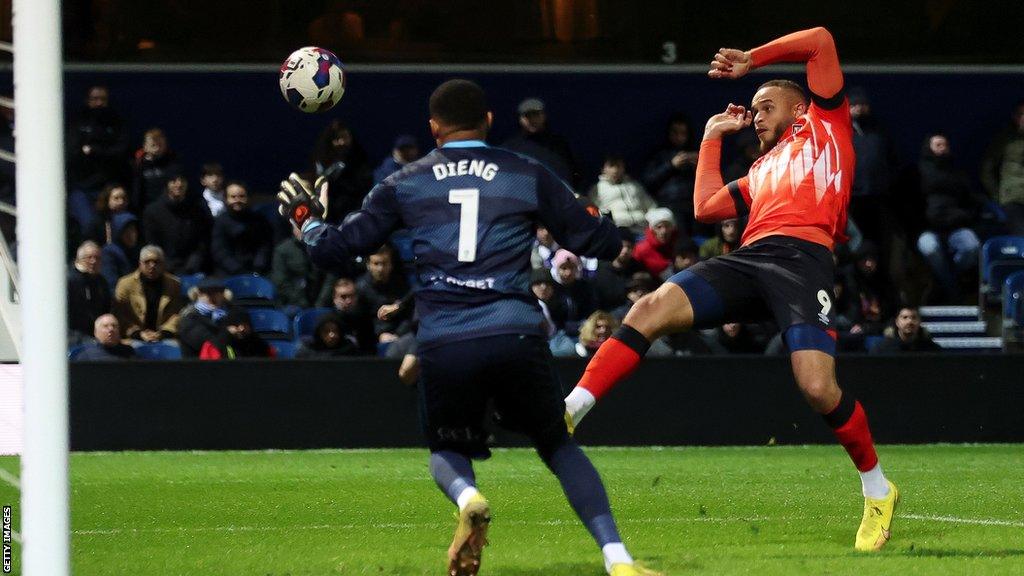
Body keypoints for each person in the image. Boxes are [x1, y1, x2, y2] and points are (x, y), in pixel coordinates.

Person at [276, 79, 658, 576]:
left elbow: (334, 250)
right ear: (490, 121)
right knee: (557, 443)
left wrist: (307, 220)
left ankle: (468, 495)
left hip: (445, 338)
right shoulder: (525, 172)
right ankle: (618, 559)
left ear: (433, 128)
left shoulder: (404, 181)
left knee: (447, 448)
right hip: (515, 331)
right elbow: (600, 242)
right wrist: (600, 220)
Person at [562, 27, 898, 552]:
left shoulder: (827, 126)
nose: (756, 116)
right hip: (749, 258)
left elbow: (822, 41)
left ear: (801, 107)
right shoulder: (761, 169)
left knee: (816, 388)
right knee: (650, 306)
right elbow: (705, 207)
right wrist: (711, 136)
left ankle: (877, 489)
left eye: (766, 106)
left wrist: (752, 61)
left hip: (801, 262)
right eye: (755, 109)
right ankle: (572, 407)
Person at [915, 133, 983, 303]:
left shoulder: (958, 173)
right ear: (928, 147)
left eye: (945, 145)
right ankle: (954, 292)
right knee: (930, 248)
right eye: (938, 145)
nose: (942, 148)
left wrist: (965, 216)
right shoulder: (917, 173)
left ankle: (944, 283)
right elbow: (910, 204)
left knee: (972, 247)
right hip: (928, 228)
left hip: (956, 227)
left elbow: (971, 200)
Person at [66, 86, 129, 233]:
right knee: (88, 225)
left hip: (107, 187)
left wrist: (94, 151)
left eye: (103, 99)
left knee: (117, 226)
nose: (99, 103)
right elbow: (72, 152)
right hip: (81, 187)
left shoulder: (115, 123)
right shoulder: (78, 122)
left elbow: (120, 152)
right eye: (95, 99)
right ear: (88, 101)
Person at [501, 97, 580, 188]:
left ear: (544, 116)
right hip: (523, 198)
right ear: (520, 119)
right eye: (528, 116)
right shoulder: (509, 148)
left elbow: (573, 174)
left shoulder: (559, 145)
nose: (532, 120)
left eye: (536, 115)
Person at [142, 173, 212, 275]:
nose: (178, 184)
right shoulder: (153, 211)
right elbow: (152, 243)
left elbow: (203, 240)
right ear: (167, 184)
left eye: (182, 181)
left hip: (193, 268)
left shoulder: (197, 209)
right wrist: (167, 265)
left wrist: (194, 262)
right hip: (164, 269)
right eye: (174, 181)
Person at [642, 113, 700, 236]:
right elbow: (649, 182)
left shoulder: (696, 153)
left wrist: (700, 166)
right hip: (670, 205)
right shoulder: (659, 155)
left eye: (683, 133)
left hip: (693, 205)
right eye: (675, 133)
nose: (679, 137)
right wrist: (671, 166)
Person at [112, 245, 184, 343]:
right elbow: (120, 314)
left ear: (163, 264)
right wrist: (138, 333)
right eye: (147, 262)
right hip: (133, 337)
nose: (152, 266)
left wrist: (164, 332)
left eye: (156, 262)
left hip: (165, 336)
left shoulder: (174, 284)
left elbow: (177, 313)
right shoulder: (125, 284)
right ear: (140, 264)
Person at [311, 119, 374, 223]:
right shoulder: (321, 160)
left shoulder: (360, 159)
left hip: (354, 214)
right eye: (336, 138)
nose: (341, 142)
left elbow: (365, 187)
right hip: (327, 215)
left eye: (344, 137)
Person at [211, 181, 273, 275]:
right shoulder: (220, 222)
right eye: (233, 197)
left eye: (241, 196)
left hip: (257, 272)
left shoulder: (259, 220)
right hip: (228, 273)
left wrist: (258, 268)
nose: (237, 200)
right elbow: (219, 251)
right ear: (226, 199)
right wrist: (238, 270)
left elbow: (264, 246)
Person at [981, 100, 1024, 234]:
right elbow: (987, 169)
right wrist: (998, 195)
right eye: (1021, 114)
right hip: (1012, 198)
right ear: (1015, 117)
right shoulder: (1005, 140)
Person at [588, 154, 657, 235]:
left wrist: (654, 222)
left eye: (618, 166)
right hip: (619, 233)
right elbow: (594, 214)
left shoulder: (634, 185)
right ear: (603, 169)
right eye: (611, 166)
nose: (615, 170)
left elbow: (651, 206)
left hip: (643, 229)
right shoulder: (597, 189)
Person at [356, 245, 412, 343]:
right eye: (376, 264)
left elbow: (408, 313)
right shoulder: (361, 288)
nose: (380, 269)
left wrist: (398, 334)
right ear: (368, 265)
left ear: (391, 265)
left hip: (401, 335)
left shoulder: (401, 284)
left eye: (384, 263)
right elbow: (363, 322)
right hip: (373, 339)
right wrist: (380, 334)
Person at [270, 225, 327, 309]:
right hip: (291, 303)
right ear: (293, 229)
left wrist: (321, 302)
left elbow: (329, 278)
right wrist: (301, 302)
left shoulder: (322, 248)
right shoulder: (282, 250)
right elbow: (281, 282)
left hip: (318, 302)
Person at [68, 241, 112, 345]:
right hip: (73, 336)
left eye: (97, 258)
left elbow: (106, 310)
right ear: (79, 259)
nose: (93, 261)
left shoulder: (101, 282)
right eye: (89, 257)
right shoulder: (68, 281)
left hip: (96, 335)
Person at [177, 277, 233, 358]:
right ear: (198, 294)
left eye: (217, 292)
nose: (211, 297)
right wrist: (229, 332)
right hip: (198, 366)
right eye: (206, 292)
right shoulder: (189, 316)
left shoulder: (233, 312)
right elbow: (205, 342)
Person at [132, 128, 182, 210]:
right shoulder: (138, 166)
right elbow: (136, 193)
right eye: (153, 144)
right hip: (147, 209)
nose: (157, 148)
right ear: (145, 146)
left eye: (159, 144)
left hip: (169, 209)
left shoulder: (173, 164)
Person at [199, 308, 276, 359]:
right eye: (236, 325)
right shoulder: (214, 346)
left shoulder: (261, 346)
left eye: (245, 325)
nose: (241, 329)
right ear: (227, 327)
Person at [870, 306, 942, 353]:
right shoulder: (882, 349)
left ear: (920, 322)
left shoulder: (931, 350)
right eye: (905, 317)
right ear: (897, 322)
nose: (909, 321)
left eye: (914, 317)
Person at [632, 207, 679, 279]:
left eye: (667, 226)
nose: (664, 231)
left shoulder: (679, 244)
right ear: (652, 230)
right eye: (659, 227)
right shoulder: (642, 249)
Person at [99, 212, 140, 288]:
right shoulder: (109, 252)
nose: (131, 235)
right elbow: (110, 283)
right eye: (126, 231)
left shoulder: (136, 251)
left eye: (133, 230)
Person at [296, 312, 361, 358]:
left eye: (335, 331)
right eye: (326, 331)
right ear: (319, 333)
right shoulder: (307, 351)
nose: (332, 335)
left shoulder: (349, 350)